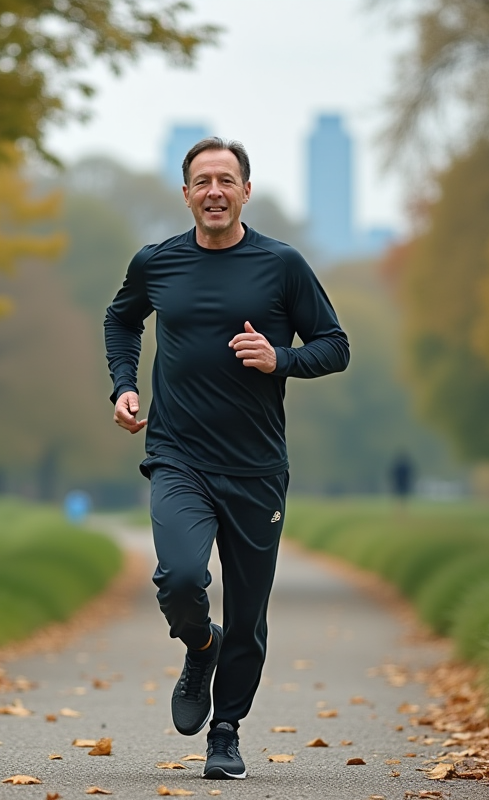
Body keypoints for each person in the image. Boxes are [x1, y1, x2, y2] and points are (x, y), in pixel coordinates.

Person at [103, 137, 350, 780]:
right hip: (178, 454)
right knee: (181, 578)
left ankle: (227, 731)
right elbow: (121, 320)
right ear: (185, 194)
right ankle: (198, 645)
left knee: (250, 613)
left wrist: (282, 359)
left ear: (245, 191)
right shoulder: (156, 263)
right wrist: (124, 384)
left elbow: (335, 344)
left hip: (256, 468)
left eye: (226, 180)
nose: (214, 191)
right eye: (202, 181)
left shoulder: (281, 265)